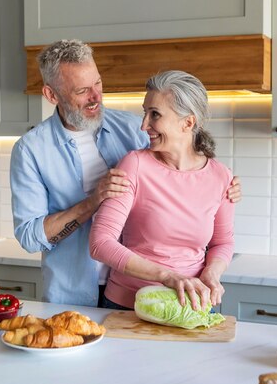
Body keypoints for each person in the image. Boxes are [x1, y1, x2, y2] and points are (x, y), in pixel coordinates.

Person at [10, 40, 241, 307]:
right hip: (73, 292)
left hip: (142, 289)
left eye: (98, 84)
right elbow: (29, 237)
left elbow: (178, 157)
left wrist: (223, 186)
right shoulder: (31, 150)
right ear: (52, 95)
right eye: (83, 90)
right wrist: (92, 202)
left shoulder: (133, 128)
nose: (96, 97)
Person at [89, 70, 234, 311]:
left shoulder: (221, 176)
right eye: (145, 112)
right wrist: (167, 276)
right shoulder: (134, 165)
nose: (144, 125)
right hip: (129, 306)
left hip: (190, 306)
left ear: (187, 122)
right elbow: (100, 243)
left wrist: (212, 273)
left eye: (154, 114)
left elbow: (223, 243)